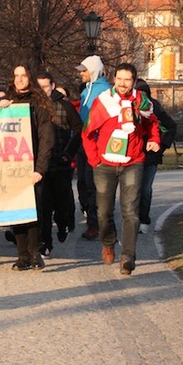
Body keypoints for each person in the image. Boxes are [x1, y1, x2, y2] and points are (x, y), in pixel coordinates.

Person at [83, 63, 160, 276]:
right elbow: (87, 132)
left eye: (127, 80)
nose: (123, 83)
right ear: (114, 79)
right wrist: (94, 160)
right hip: (105, 164)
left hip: (133, 162)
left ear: (134, 82)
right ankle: (108, 242)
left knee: (130, 211)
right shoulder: (104, 102)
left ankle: (128, 256)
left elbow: (153, 124)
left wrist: (154, 140)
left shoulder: (142, 102)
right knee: (103, 212)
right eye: (119, 79)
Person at [0, 63, 55, 270]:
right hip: (11, 166)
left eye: (23, 75)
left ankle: (35, 252)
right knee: (17, 212)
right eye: (16, 75)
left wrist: (40, 168)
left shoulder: (39, 103)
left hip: (32, 165)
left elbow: (46, 137)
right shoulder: (7, 101)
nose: (19, 79)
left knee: (34, 212)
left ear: (30, 78)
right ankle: (22, 255)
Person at [37, 72, 82, 257]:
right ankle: (45, 243)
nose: (42, 91)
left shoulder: (64, 106)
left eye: (45, 87)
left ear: (52, 86)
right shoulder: (32, 107)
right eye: (39, 88)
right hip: (42, 165)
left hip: (61, 163)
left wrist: (69, 152)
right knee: (44, 205)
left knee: (62, 203)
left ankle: (63, 223)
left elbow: (79, 129)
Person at [134, 79, 176, 233]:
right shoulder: (130, 106)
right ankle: (133, 219)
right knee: (132, 189)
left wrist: (163, 146)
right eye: (139, 94)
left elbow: (171, 126)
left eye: (144, 94)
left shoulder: (155, 107)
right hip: (133, 154)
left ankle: (144, 219)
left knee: (145, 189)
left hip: (151, 156)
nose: (142, 97)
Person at [76, 55, 110, 241]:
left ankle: (95, 225)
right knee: (82, 182)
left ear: (94, 71)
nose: (81, 73)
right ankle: (91, 217)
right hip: (83, 143)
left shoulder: (105, 91)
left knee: (93, 186)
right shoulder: (85, 91)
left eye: (84, 70)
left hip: (97, 146)